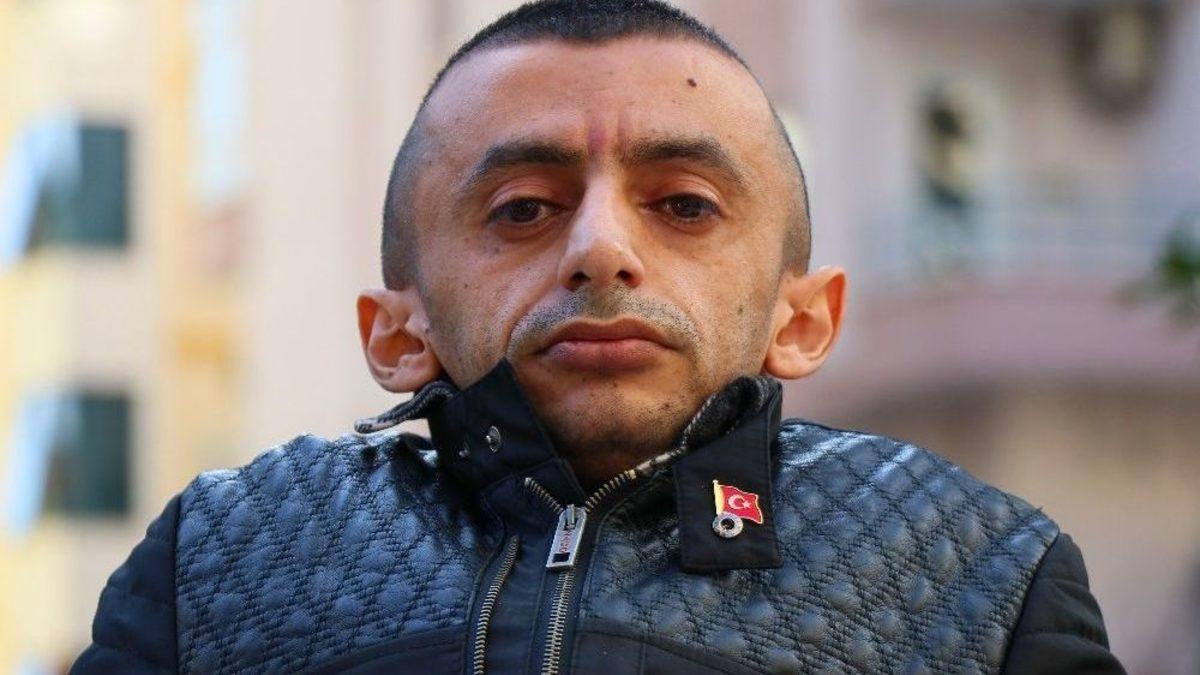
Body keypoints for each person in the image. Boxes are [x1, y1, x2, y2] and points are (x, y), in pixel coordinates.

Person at [72, 1, 1124, 673]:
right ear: (397, 333)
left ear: (801, 319)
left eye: (686, 205)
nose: (602, 251)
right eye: (524, 208)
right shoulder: (222, 561)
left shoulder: (983, 577)